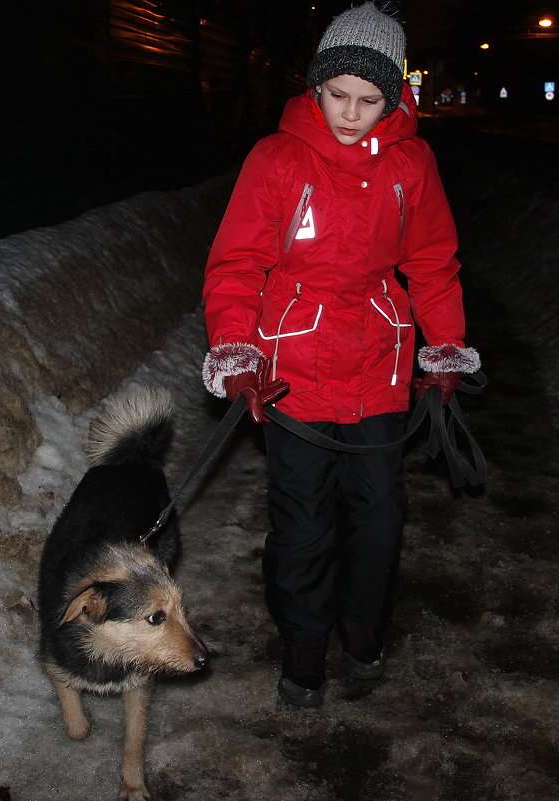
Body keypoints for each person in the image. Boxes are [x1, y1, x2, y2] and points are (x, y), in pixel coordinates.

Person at [200, 1, 479, 708]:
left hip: (380, 369)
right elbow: (235, 264)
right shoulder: (276, 158)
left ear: (393, 98)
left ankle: (361, 627)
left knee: (380, 514)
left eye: (368, 100)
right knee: (301, 523)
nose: (350, 114)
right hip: (291, 375)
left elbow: (433, 261)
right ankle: (302, 647)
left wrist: (442, 351)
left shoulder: (411, 164)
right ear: (315, 87)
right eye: (336, 96)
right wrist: (236, 355)